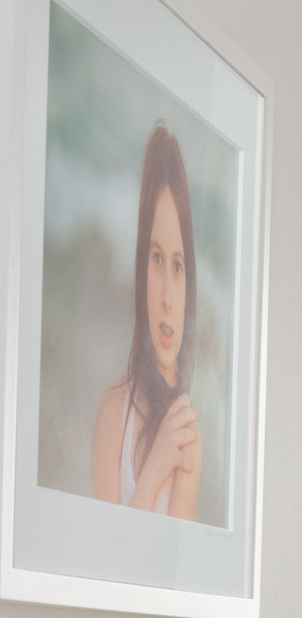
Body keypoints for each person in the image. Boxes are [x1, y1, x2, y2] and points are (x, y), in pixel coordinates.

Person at [91, 123, 202, 517]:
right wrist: (154, 470)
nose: (169, 298)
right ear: (141, 266)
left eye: (178, 265)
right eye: (156, 259)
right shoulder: (112, 414)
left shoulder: (186, 437)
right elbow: (103, 565)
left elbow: (174, 579)